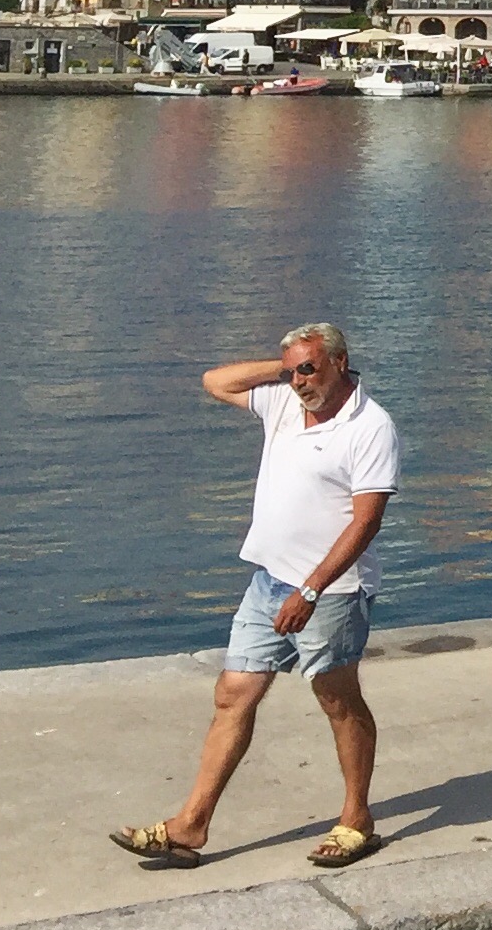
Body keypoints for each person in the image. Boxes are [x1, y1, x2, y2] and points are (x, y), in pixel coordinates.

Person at [112, 324, 400, 870]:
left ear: (341, 363)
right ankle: (190, 826)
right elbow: (214, 381)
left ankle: (357, 819)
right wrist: (285, 367)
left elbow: (367, 522)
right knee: (233, 694)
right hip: (269, 581)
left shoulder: (371, 427)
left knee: (338, 701)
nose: (299, 382)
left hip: (332, 591)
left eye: (310, 369)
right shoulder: (283, 403)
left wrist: (311, 588)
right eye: (292, 371)